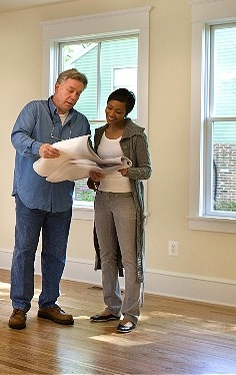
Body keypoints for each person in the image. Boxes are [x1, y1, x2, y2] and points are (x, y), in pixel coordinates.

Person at [8, 68, 91, 330]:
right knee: (24, 251)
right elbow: (17, 136)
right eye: (70, 90)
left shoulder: (81, 122)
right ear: (57, 86)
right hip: (30, 195)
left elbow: (84, 155)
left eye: (78, 93)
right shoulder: (34, 110)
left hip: (61, 199)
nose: (74, 97)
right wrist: (38, 147)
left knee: (56, 254)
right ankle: (19, 307)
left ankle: (48, 304)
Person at [87, 88, 151, 334]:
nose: (111, 113)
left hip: (127, 200)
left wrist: (128, 171)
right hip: (102, 198)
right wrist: (92, 177)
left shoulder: (136, 135)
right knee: (106, 255)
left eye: (118, 110)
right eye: (109, 107)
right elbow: (95, 165)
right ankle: (111, 307)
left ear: (127, 113)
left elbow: (147, 170)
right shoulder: (100, 133)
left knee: (130, 257)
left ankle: (130, 314)